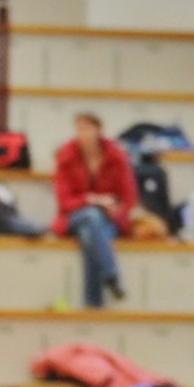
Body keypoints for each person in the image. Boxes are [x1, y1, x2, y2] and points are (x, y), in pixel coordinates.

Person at [51, 112, 138, 308]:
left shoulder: (116, 156)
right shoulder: (67, 156)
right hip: (74, 216)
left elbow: (129, 197)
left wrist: (115, 210)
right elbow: (64, 201)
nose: (82, 134)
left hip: (107, 220)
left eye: (86, 128)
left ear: (98, 130)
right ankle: (111, 275)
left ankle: (93, 306)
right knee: (91, 216)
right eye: (79, 129)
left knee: (90, 234)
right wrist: (93, 200)